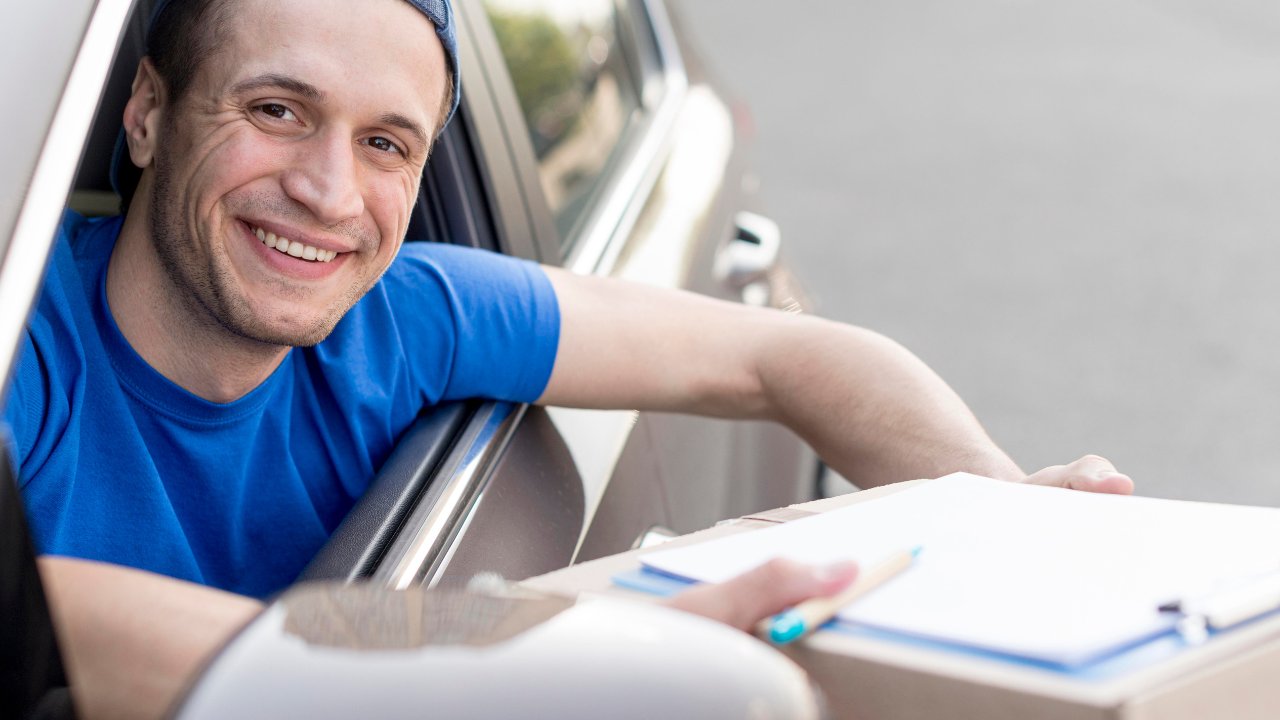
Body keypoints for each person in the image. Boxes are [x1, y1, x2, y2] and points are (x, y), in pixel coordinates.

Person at [2, 0, 1133, 716]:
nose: (329, 192)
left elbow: (787, 359)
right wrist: (498, 654)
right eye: (276, 109)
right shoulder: (26, 342)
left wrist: (1003, 512)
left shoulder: (407, 316)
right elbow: (31, 609)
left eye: (386, 143)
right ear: (147, 115)